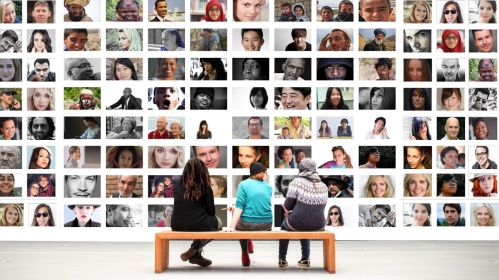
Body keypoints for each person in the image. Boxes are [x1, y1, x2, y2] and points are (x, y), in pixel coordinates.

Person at [171, 157, 222, 267]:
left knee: (199, 224)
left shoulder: (177, 184)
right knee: (218, 224)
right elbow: (211, 212)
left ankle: (196, 256)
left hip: (176, 224)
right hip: (198, 222)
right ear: (203, 170)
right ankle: (194, 248)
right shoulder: (205, 185)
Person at [277, 158, 327, 268]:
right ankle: (305, 259)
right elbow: (321, 208)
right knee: (306, 222)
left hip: (298, 222)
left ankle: (282, 259)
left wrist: (288, 210)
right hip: (319, 225)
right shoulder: (323, 186)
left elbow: (288, 206)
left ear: (301, 169)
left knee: (285, 227)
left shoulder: (297, 182)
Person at [227, 162, 272, 267]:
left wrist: (231, 226)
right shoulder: (269, 187)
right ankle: (249, 242)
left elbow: (240, 207)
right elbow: (256, 205)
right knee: (246, 218)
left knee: (242, 223)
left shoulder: (243, 184)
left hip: (247, 225)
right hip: (266, 224)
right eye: (265, 173)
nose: (266, 175)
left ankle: (244, 254)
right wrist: (235, 208)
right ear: (260, 173)